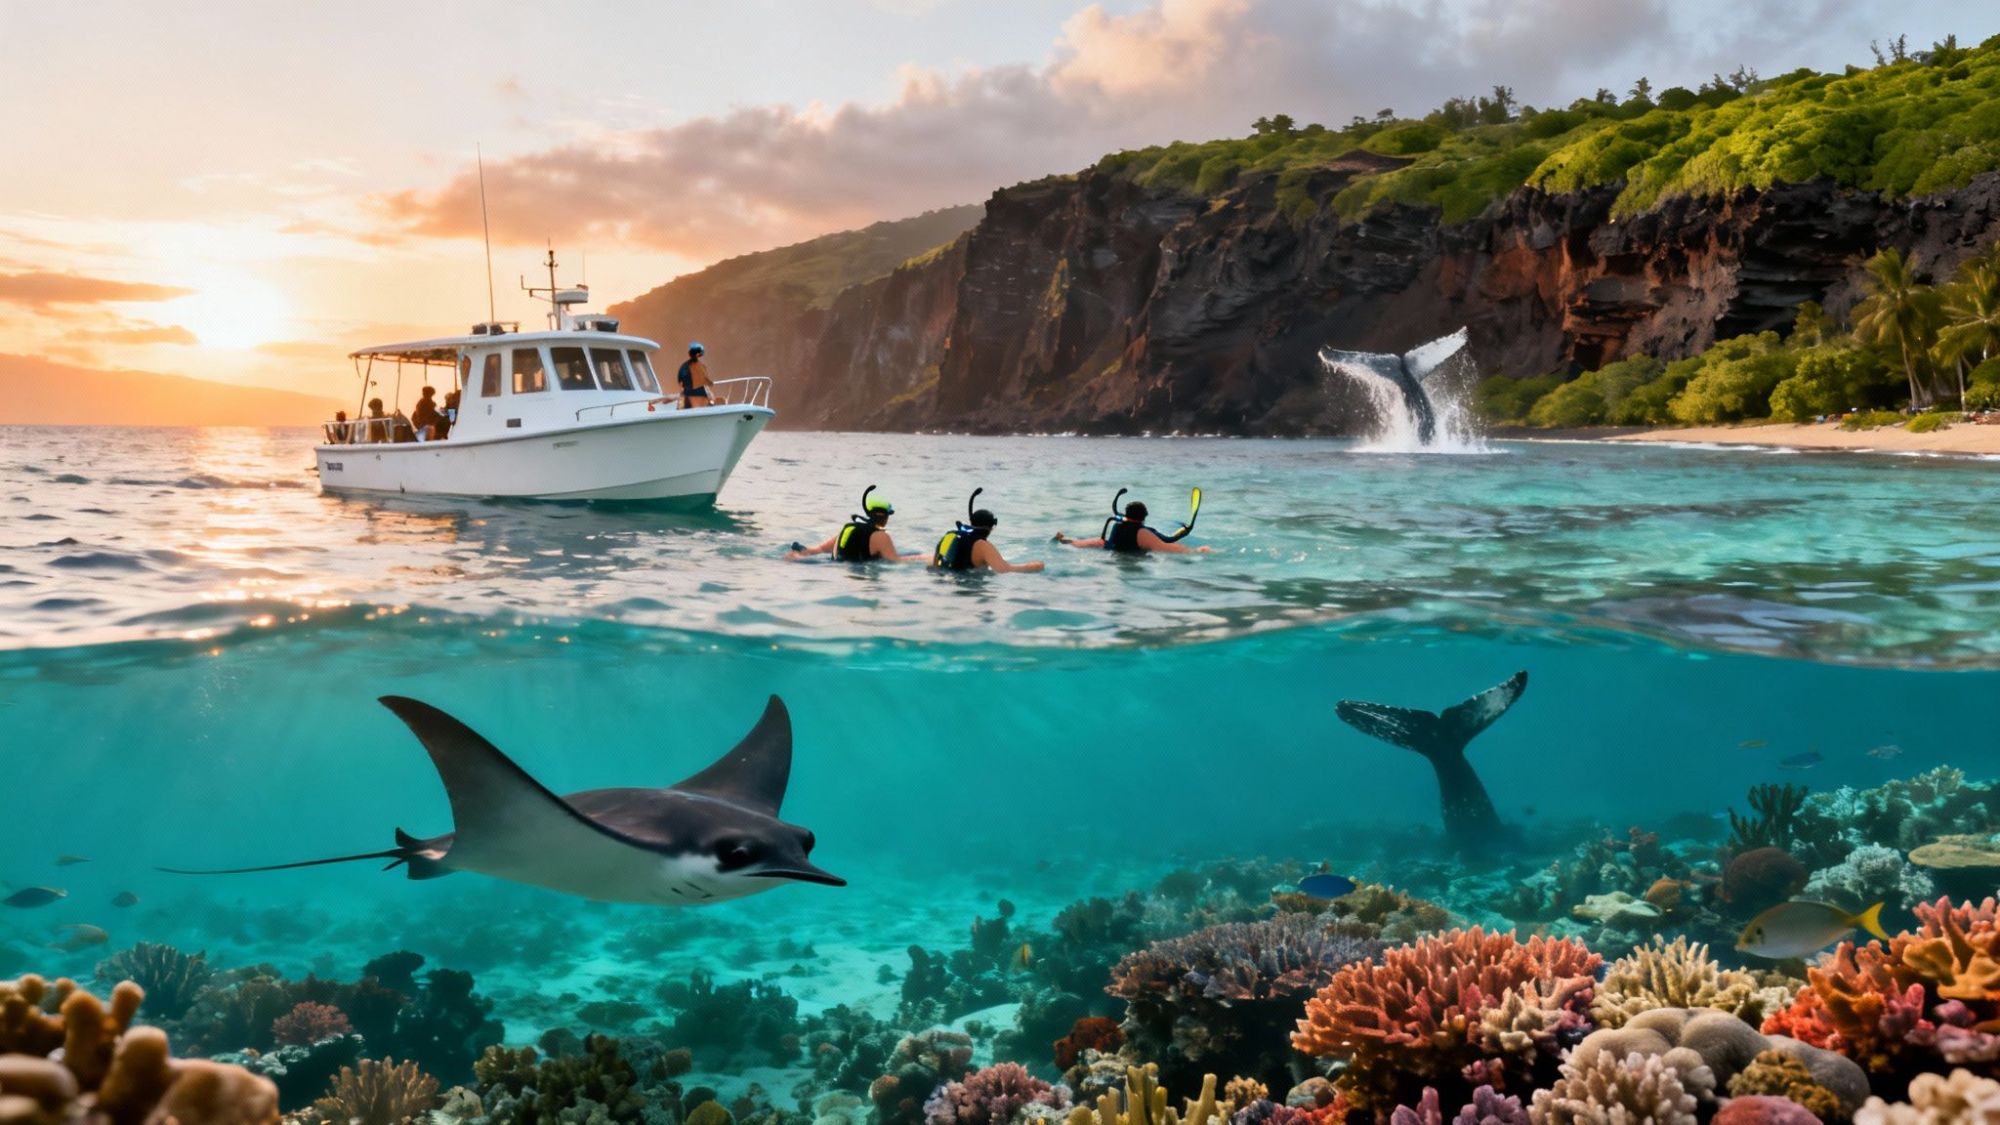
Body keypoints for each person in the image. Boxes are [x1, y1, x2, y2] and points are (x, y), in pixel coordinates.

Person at [789, 488, 925, 562]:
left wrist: (799, 554)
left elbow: (817, 550)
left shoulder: (849, 529)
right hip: (860, 576)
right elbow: (896, 561)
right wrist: (923, 557)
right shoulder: (880, 536)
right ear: (884, 517)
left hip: (837, 570)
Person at [1055, 495, 1212, 554]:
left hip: (1112, 556)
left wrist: (1069, 542)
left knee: (1094, 542)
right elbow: (1166, 547)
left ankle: (1064, 540)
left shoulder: (1117, 525)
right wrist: (1197, 551)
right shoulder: (1143, 533)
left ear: (1127, 515)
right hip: (1132, 564)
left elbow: (1104, 543)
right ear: (1144, 516)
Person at [932, 492, 1044, 573]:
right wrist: (1033, 566)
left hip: (940, 582)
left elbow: (938, 560)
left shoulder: (950, 536)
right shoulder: (982, 546)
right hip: (966, 589)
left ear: (971, 522)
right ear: (991, 527)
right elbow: (1004, 570)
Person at [677, 343, 721, 409]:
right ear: (698, 354)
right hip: (699, 395)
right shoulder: (700, 366)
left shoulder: (684, 366)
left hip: (687, 395)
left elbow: (680, 380)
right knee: (710, 401)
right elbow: (703, 380)